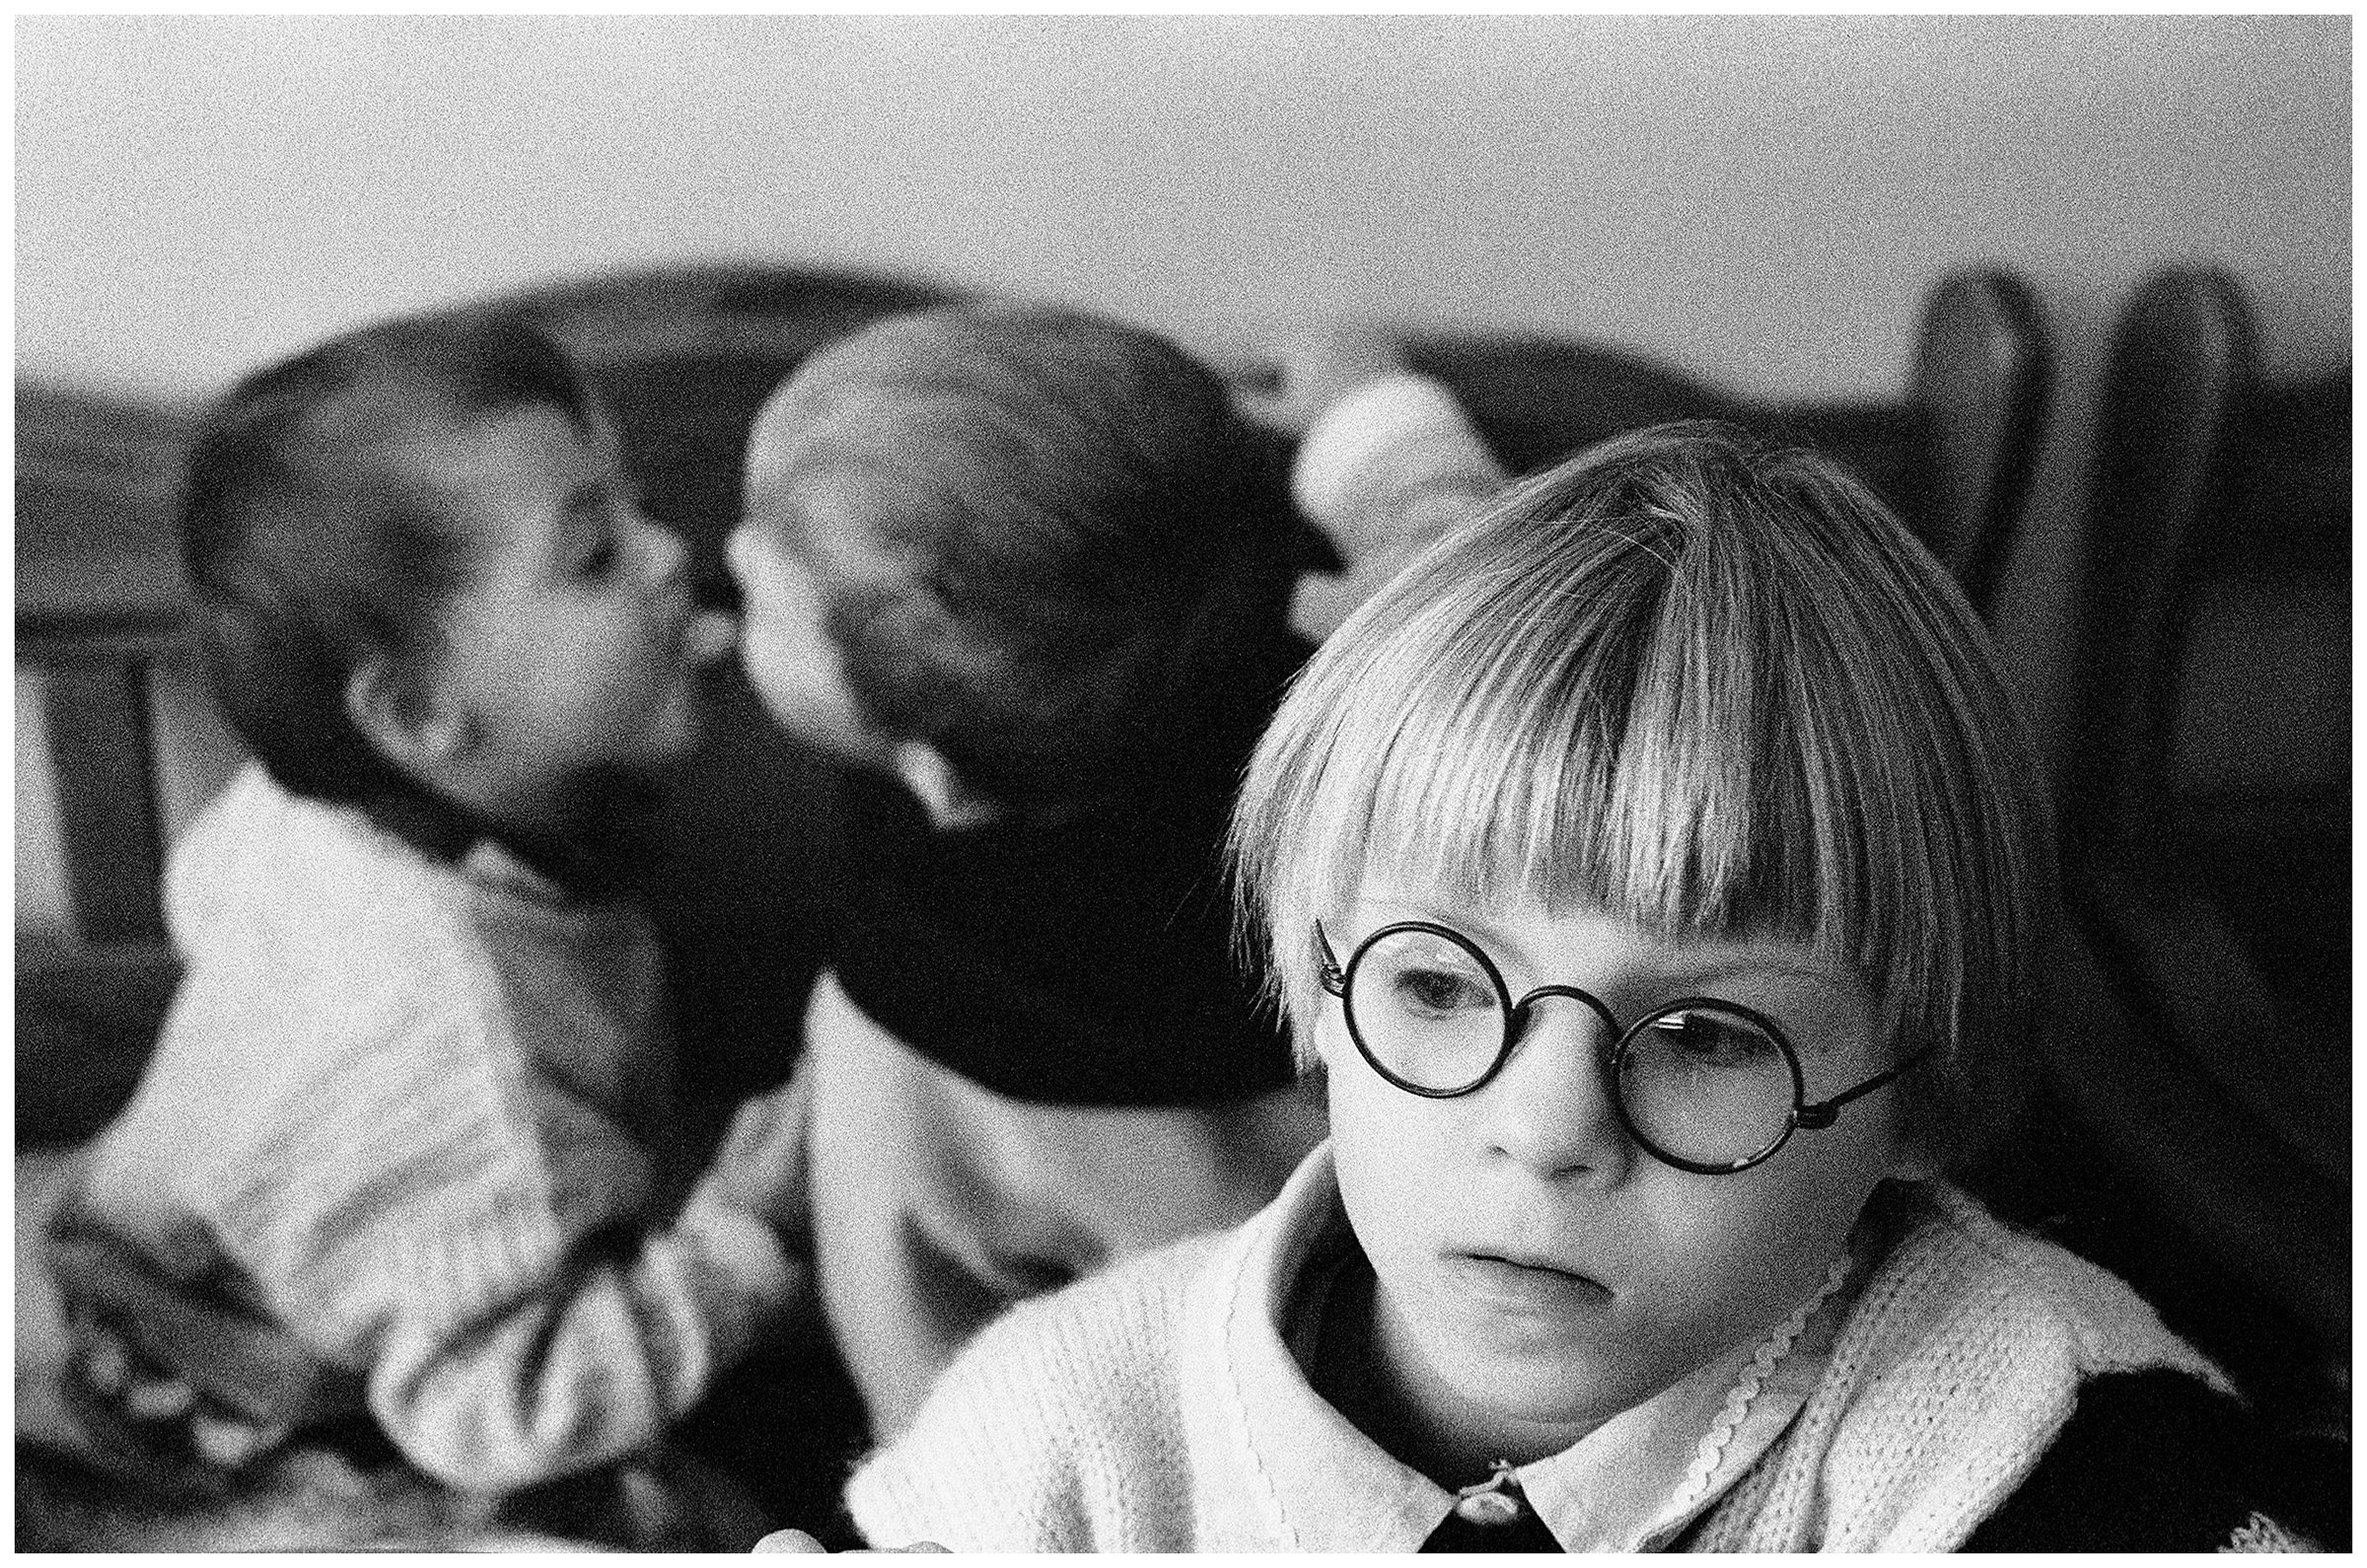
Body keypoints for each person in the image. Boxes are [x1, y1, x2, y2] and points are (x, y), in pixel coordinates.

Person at [833, 404, 2321, 1550]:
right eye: (1436, 986)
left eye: (1703, 1032)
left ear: (1920, 1096)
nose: (1544, 1127)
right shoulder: (1059, 1441)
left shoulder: (2047, 1440)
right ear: (1323, 995)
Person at [38, 311, 809, 1541]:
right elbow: (502, 1408)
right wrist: (746, 1238)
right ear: (418, 711)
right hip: (287, 1433)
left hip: (141, 1280)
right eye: (595, 554)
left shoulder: (304, 808)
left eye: (638, 506)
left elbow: (202, 892)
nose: (673, 556)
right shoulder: (460, 1057)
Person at [721, 305, 1339, 1448]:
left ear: (937, 777)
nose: (728, 554)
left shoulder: (903, 1041)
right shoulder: (1372, 683)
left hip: (1167, 1458)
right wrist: (1375, 413)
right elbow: (1452, 539)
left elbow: (927, 1383)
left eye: (765, 586)